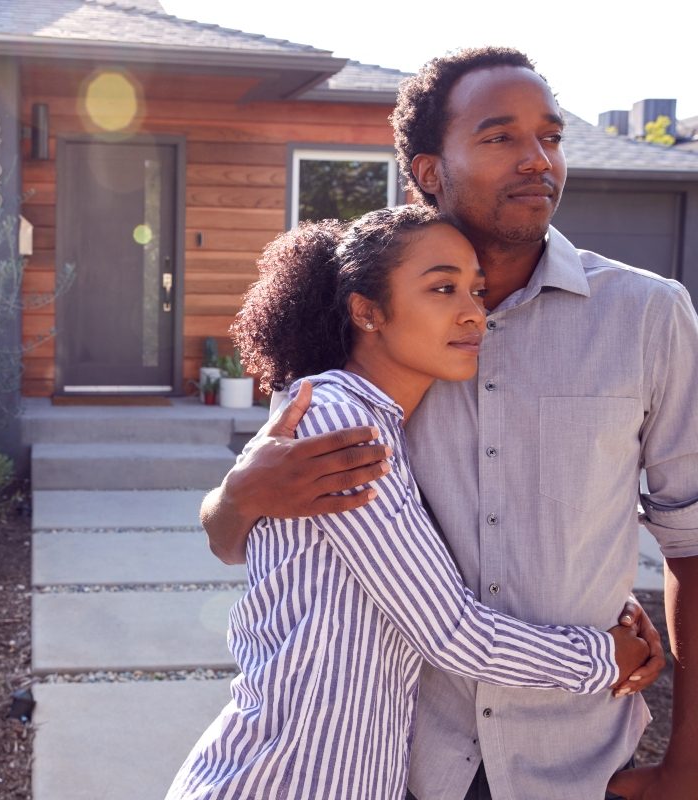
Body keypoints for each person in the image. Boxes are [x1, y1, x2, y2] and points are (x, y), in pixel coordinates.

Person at [201, 47, 698, 800]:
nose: (538, 160)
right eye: (501, 137)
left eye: (552, 137)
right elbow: (252, 537)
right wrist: (233, 500)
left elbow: (693, 544)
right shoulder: (362, 339)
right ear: (430, 170)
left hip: (576, 762)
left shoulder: (648, 315)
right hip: (400, 760)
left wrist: (689, 767)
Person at [166, 207, 652, 800]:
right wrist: (605, 658)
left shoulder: (387, 423)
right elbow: (450, 632)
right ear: (367, 312)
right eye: (442, 288)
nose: (474, 311)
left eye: (475, 289)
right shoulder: (339, 423)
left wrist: (602, 592)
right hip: (280, 778)